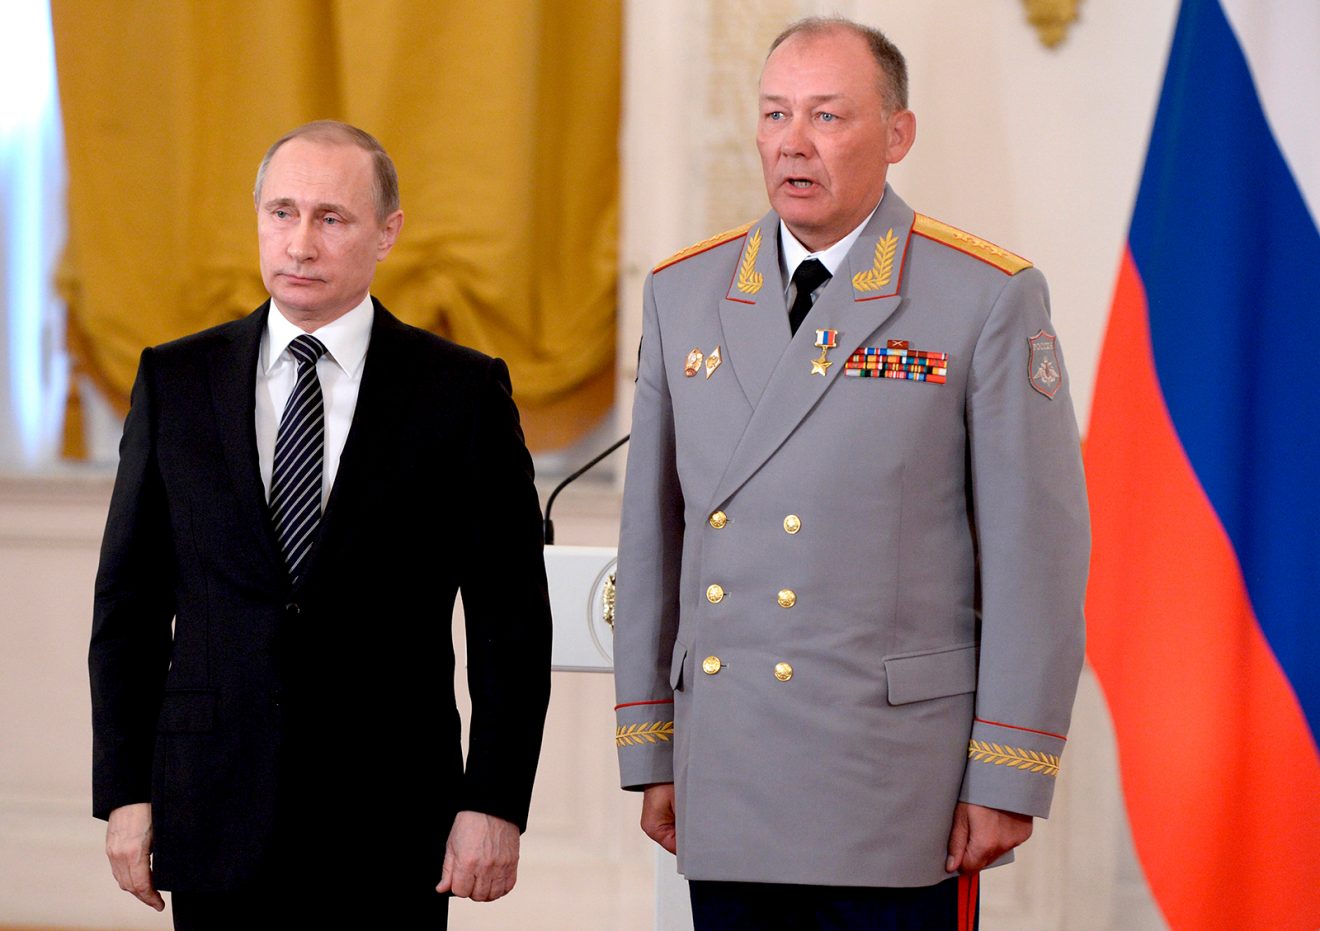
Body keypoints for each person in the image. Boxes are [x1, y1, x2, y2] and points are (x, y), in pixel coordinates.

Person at [612, 17, 1089, 928]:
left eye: (827, 116)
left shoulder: (984, 295)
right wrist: (652, 748)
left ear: (897, 134)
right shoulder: (684, 293)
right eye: (775, 114)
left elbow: (1037, 558)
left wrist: (1008, 770)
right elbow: (651, 542)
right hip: (731, 770)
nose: (793, 142)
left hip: (897, 783)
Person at [89, 120, 552, 928]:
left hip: (391, 821)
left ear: (387, 233)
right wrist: (125, 789)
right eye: (282, 213)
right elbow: (128, 608)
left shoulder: (462, 394)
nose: (300, 243)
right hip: (213, 809)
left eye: (331, 218)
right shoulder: (175, 379)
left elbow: (511, 621)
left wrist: (495, 800)